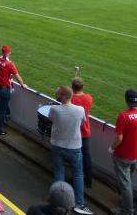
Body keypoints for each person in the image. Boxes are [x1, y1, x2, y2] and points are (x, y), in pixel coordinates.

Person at [48, 86, 93, 215]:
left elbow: (51, 118)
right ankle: (80, 204)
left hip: (58, 145)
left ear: (62, 96)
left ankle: (57, 202)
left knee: (59, 173)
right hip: (74, 147)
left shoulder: (54, 109)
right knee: (78, 175)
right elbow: (83, 121)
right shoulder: (80, 110)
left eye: (58, 94)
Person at [0, 45, 26, 135]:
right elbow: (17, 76)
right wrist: (22, 84)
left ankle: (7, 114)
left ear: (1, 52)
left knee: (3, 105)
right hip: (4, 90)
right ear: (9, 53)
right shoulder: (10, 64)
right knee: (1, 111)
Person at [70, 78, 93, 187]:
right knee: (86, 156)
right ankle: (89, 180)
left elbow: (63, 99)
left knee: (75, 158)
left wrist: (70, 92)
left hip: (74, 133)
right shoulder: (88, 98)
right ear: (82, 87)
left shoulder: (71, 99)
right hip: (85, 131)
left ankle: (76, 179)